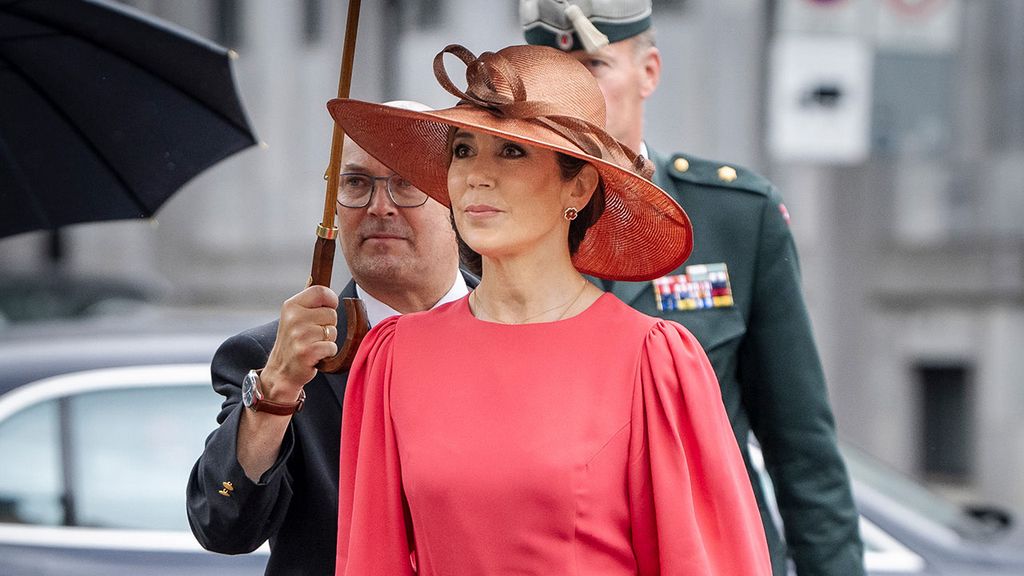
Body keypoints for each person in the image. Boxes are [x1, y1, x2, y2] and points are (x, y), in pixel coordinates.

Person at [327, 43, 771, 575]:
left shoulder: (652, 361)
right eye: (463, 150)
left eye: (511, 152)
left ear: (579, 186)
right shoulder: (394, 357)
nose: (476, 176)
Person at [521, 1, 865, 574]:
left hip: (715, 552)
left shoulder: (733, 214)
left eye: (594, 66)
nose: (570, 91)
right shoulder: (494, 227)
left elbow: (801, 448)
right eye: (551, 74)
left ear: (648, 71)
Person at [186, 101, 477, 575]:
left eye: (405, 183)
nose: (379, 207)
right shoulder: (272, 358)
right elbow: (223, 525)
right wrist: (276, 391)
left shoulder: (525, 331)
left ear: (459, 200)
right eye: (356, 184)